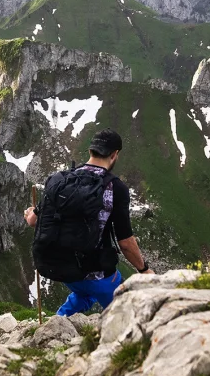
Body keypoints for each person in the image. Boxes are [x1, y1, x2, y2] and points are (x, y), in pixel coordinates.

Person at [24, 128, 154, 316]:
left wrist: (29, 213)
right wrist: (144, 270)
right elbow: (125, 242)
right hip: (97, 274)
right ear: (114, 154)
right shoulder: (115, 188)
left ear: (90, 151)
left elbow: (33, 221)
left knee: (84, 292)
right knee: (128, 311)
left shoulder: (59, 180)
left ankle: (58, 322)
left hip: (61, 268)